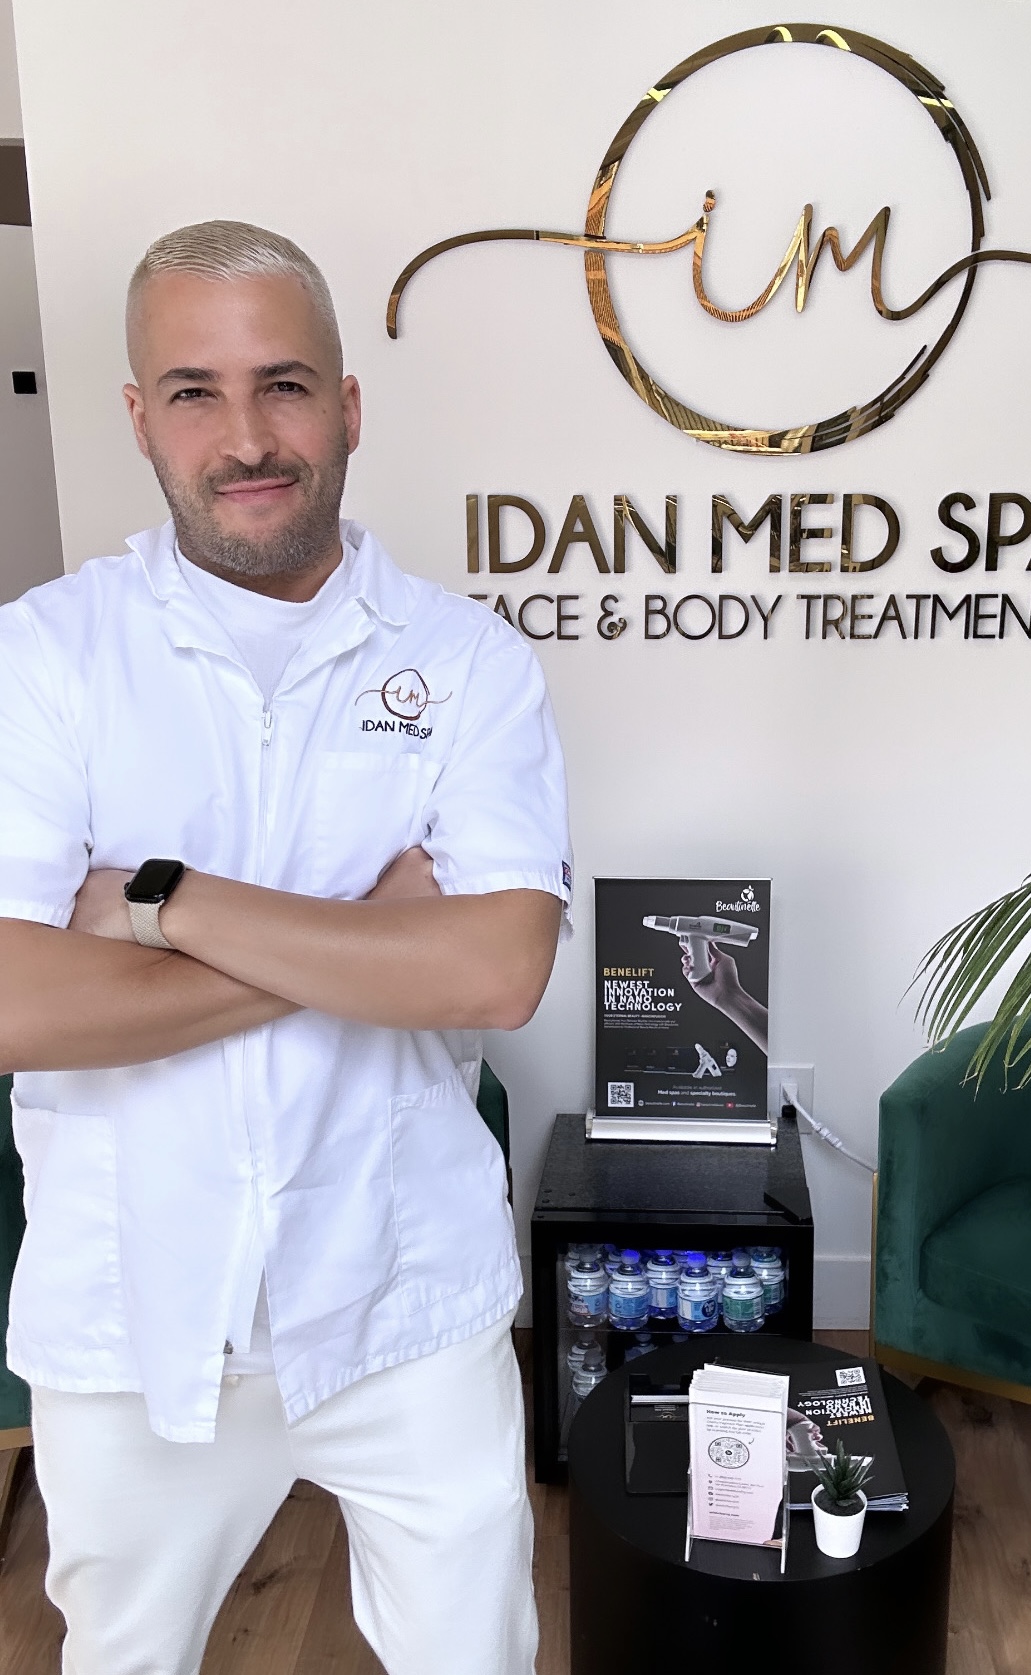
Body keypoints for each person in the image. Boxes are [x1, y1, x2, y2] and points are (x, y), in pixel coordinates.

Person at [0, 220, 571, 1675]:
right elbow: (12, 1002)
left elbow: (496, 972)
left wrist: (164, 902)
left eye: (286, 385)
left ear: (348, 405)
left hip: (404, 1291)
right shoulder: (45, 656)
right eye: (195, 392)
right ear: (140, 417)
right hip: (134, 1311)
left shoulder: (466, 663)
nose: (247, 437)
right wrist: (370, 941)